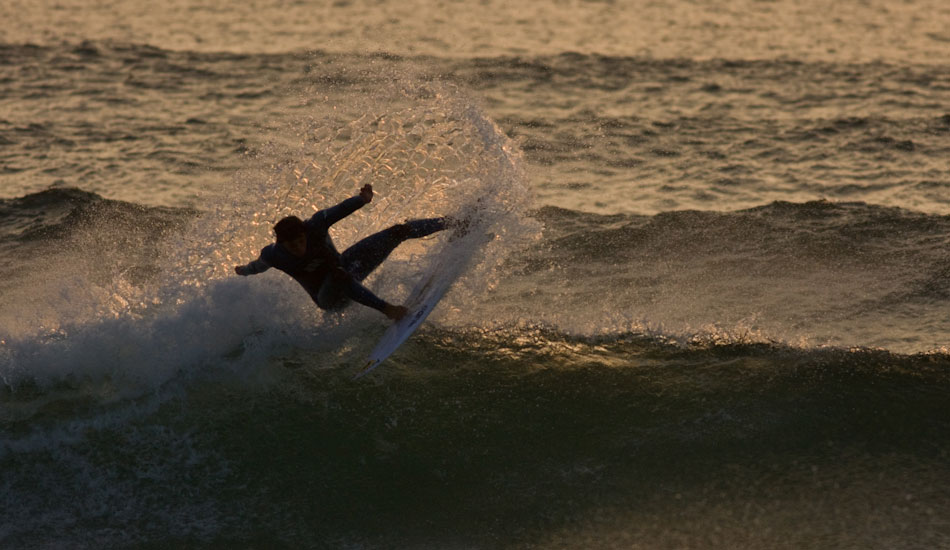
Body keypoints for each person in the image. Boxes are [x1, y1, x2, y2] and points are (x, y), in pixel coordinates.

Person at [234, 184, 450, 321]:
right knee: (339, 275)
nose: (299, 248)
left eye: (301, 241)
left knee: (398, 231)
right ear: (281, 243)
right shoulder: (274, 254)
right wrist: (242, 270)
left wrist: (362, 199)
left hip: (347, 266)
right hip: (328, 298)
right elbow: (256, 267)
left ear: (305, 233)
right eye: (292, 246)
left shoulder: (315, 226)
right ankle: (388, 310)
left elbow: (340, 210)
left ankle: (454, 222)